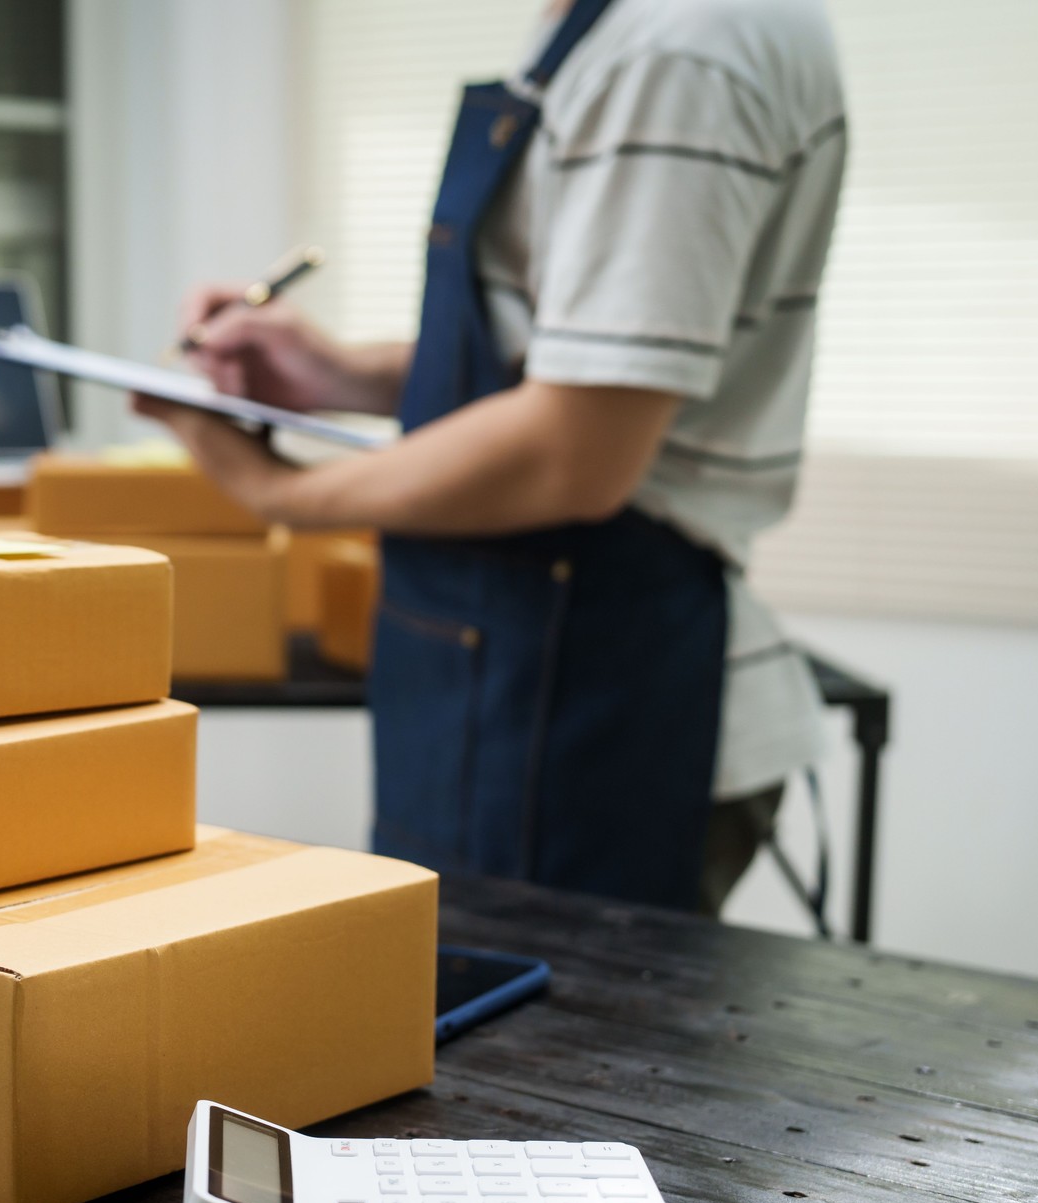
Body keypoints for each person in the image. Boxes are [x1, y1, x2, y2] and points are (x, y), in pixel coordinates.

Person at [132, 0, 847, 914]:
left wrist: (279, 492)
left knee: (537, 1044)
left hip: (588, 695)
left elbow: (577, 448)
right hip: (505, 670)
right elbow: (567, 360)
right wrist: (335, 372)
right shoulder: (609, 36)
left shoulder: (676, 48)